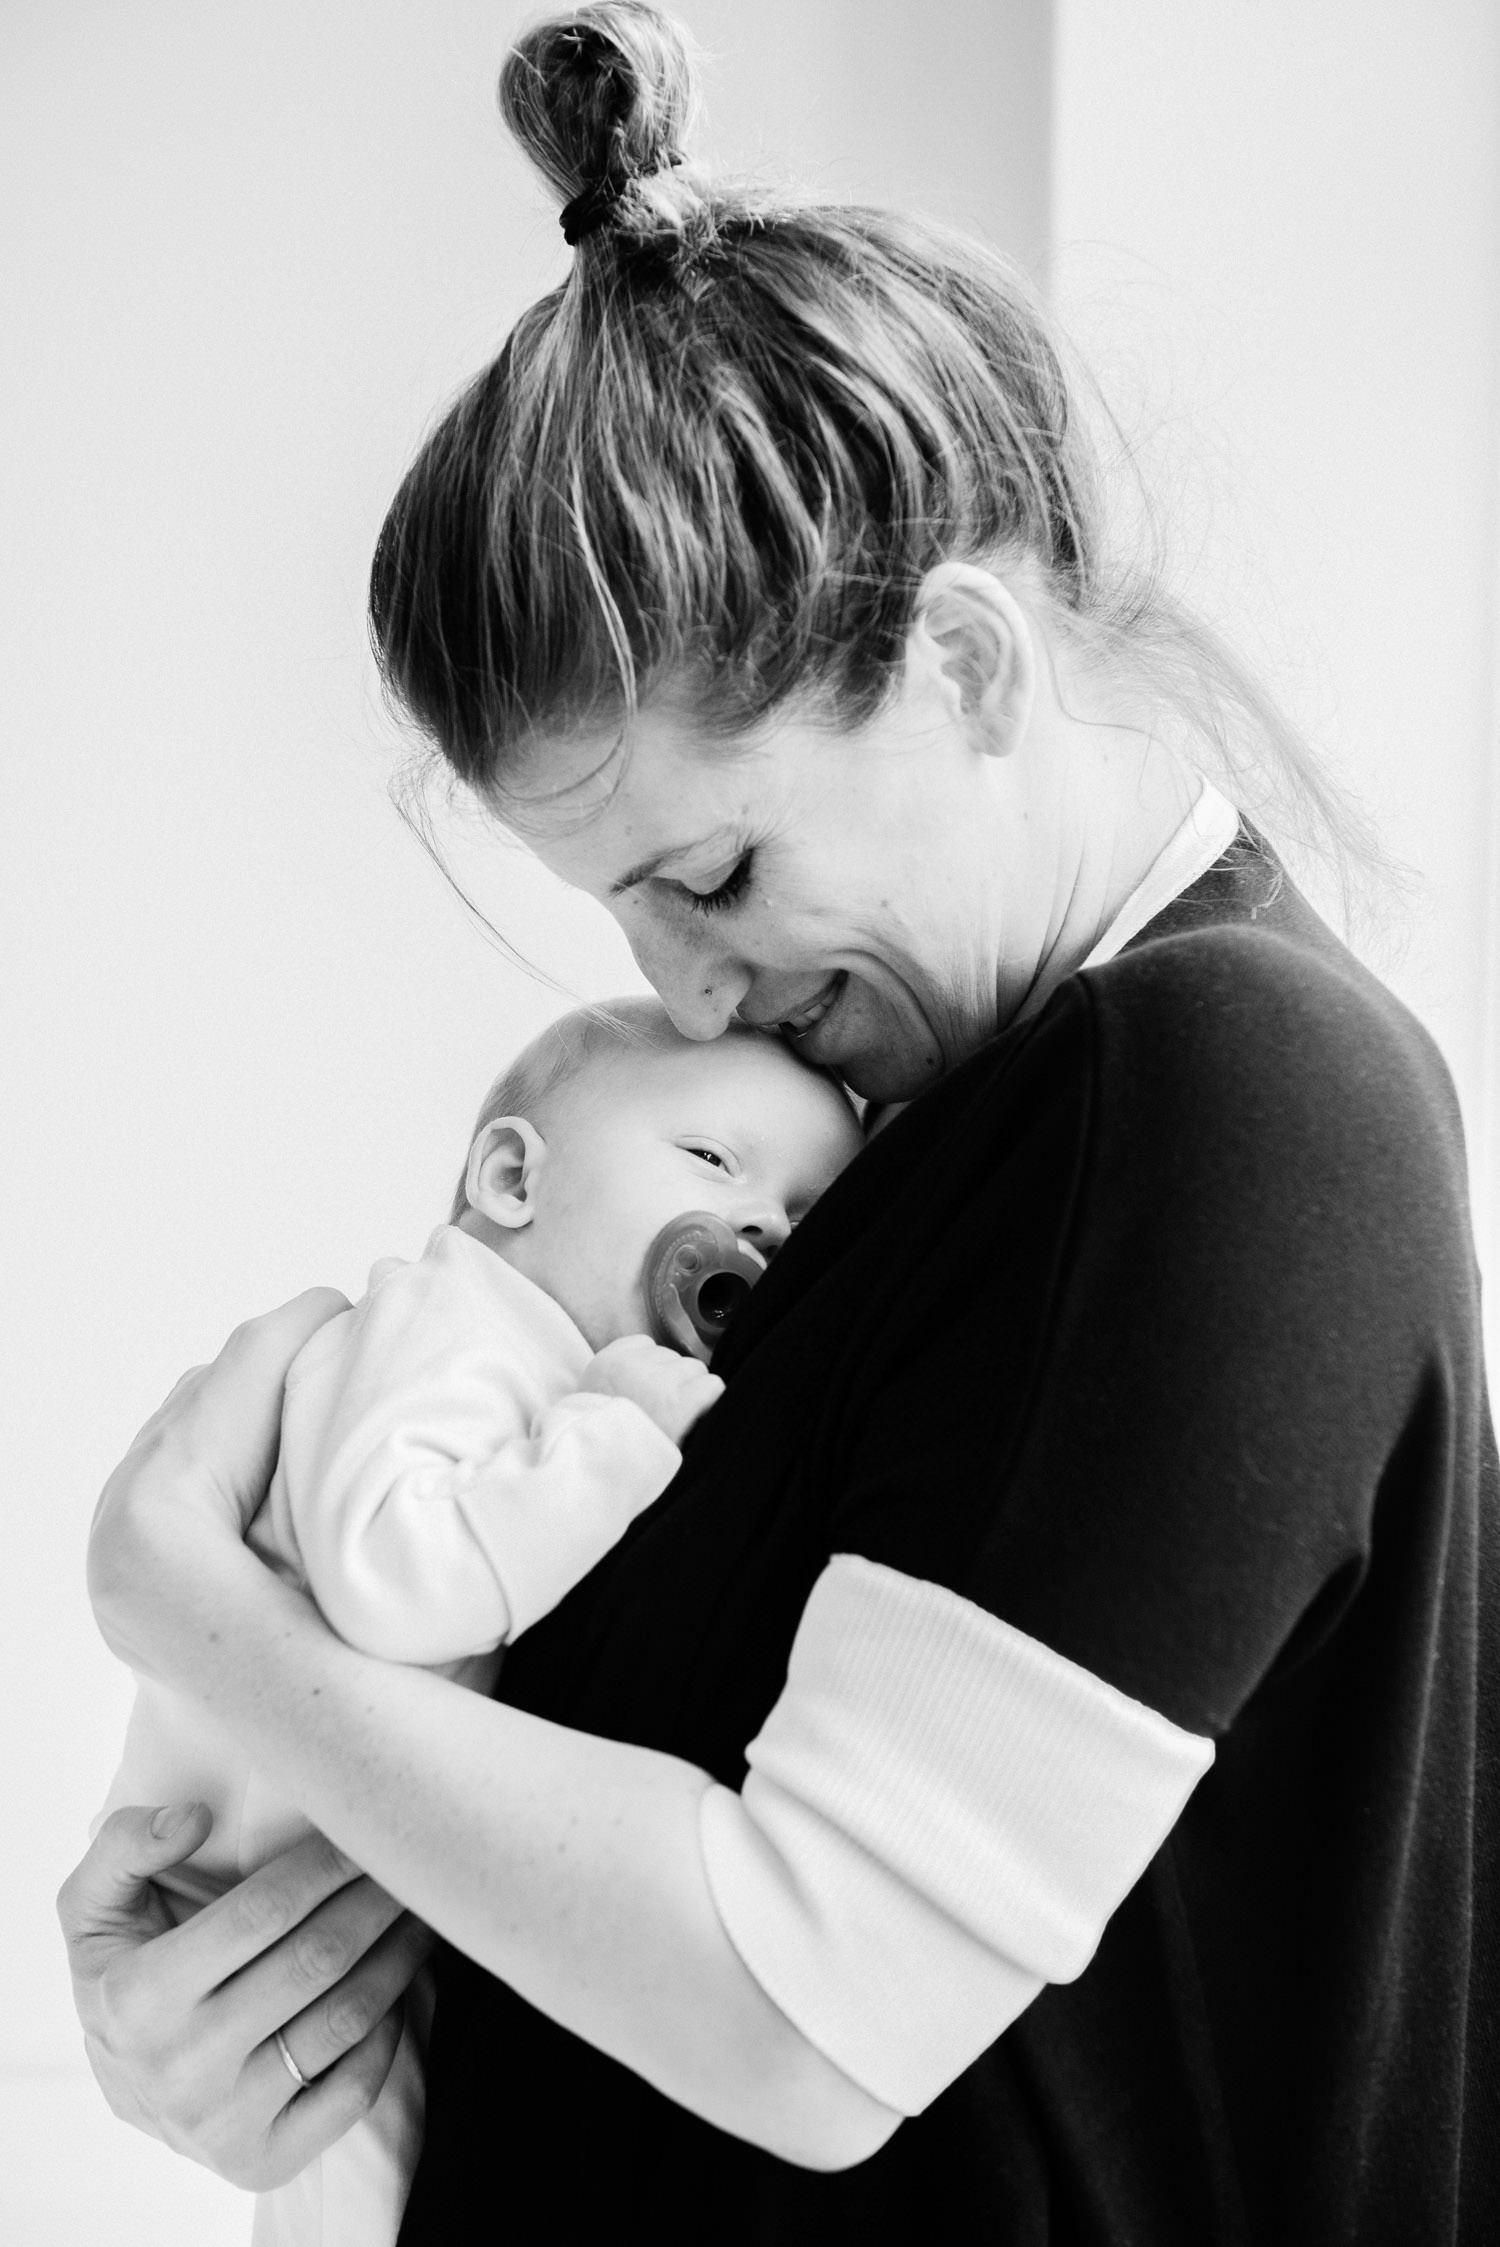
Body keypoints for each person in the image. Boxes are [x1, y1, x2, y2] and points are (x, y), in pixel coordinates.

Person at [60, 5, 1498, 2239]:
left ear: (972, 667)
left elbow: (807, 2022)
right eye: (624, 914)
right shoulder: (926, 1137)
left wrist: (204, 1617)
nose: (693, 994)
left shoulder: (1228, 1092)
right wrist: (238, 2010)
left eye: (718, 870)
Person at [93, 996, 860, 2245]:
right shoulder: (450, 1325)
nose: (763, 1223)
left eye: (805, 1217)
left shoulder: (538, 1369)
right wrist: (613, 1431)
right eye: (713, 1159)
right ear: (510, 1177)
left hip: (339, 1883)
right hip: (255, 1892)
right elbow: (391, 1581)